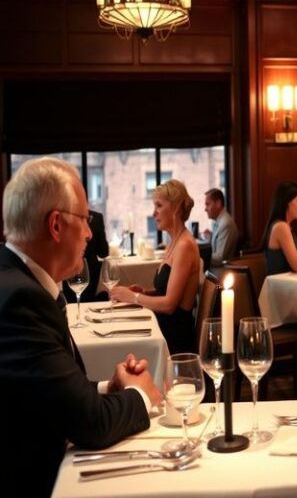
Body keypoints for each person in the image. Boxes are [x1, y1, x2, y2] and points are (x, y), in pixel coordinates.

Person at [0, 157, 162, 498]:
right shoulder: (20, 300)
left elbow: (46, 391)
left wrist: (108, 386)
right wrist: (141, 394)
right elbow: (91, 424)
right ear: (56, 225)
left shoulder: (19, 281)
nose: (90, 233)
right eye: (85, 220)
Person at [111, 179, 200, 355]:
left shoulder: (185, 245)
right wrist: (145, 292)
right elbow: (168, 293)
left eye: (159, 206)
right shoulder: (174, 241)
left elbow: (169, 305)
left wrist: (134, 297)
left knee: (119, 344)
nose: (154, 213)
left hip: (175, 337)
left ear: (175, 208)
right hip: (165, 326)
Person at [62, 209, 108, 303]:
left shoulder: (65, 216)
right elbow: (103, 252)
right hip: (91, 272)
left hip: (67, 270)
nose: (89, 235)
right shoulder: (97, 217)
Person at [203, 188, 239, 266]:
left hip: (222, 271)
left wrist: (198, 255)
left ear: (218, 204)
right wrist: (211, 237)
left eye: (208, 204)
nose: (205, 209)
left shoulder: (226, 224)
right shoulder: (217, 221)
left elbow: (219, 258)